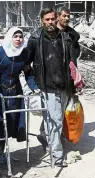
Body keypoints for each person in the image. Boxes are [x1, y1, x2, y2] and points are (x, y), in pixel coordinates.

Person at [0, 27, 38, 164]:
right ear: (10, 37)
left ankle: (4, 151)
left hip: (15, 91)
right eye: (15, 36)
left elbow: (28, 73)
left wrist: (34, 87)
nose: (18, 39)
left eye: (20, 37)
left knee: (12, 121)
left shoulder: (24, 53)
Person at [26, 8, 74, 167]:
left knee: (58, 119)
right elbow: (26, 65)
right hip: (46, 86)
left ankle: (45, 137)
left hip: (64, 86)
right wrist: (34, 85)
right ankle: (57, 156)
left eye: (53, 19)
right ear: (42, 20)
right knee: (55, 122)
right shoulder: (34, 38)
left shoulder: (65, 38)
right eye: (47, 19)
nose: (51, 22)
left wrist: (73, 85)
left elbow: (71, 63)